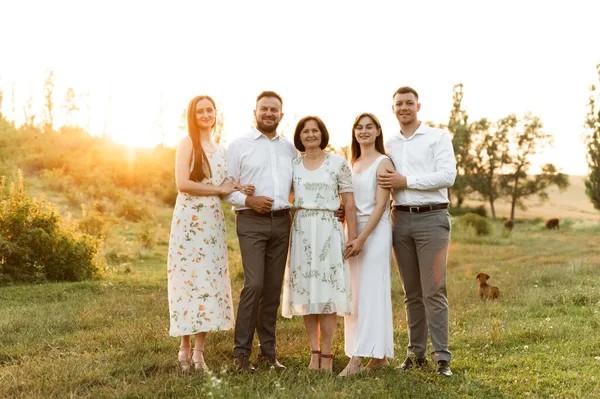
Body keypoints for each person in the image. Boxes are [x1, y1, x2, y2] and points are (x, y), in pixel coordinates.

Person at [377, 86, 456, 377]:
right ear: (393, 108)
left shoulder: (437, 137)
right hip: (400, 220)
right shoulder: (389, 144)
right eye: (399, 104)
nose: (404, 107)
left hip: (432, 218)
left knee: (433, 290)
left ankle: (442, 358)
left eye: (409, 103)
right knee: (411, 292)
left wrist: (405, 180)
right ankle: (415, 354)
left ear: (418, 106)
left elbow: (447, 176)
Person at [167, 95, 241, 372]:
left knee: (208, 282)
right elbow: (182, 183)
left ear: (216, 114)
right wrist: (218, 190)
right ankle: (183, 347)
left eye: (210, 110)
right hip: (188, 220)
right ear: (193, 115)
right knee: (188, 281)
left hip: (212, 222)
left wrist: (238, 189)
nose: (206, 114)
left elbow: (225, 189)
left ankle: (198, 352)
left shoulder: (221, 150)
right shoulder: (188, 143)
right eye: (201, 111)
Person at [225, 91, 297, 372]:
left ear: (281, 114)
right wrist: (249, 200)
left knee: (272, 289)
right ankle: (240, 354)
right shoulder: (238, 146)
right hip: (250, 221)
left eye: (274, 110)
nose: (269, 113)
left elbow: (298, 186)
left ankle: (268, 354)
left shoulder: (290, 149)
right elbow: (227, 189)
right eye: (264, 109)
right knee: (253, 285)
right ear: (254, 112)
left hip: (282, 222)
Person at [281, 115, 358, 372]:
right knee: (307, 294)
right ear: (299, 137)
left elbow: (349, 202)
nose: (310, 135)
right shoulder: (293, 164)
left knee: (326, 296)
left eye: (315, 131)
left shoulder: (337, 163)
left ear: (322, 134)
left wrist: (353, 237)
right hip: (302, 230)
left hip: (328, 230)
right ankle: (313, 354)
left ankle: (327, 354)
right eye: (305, 131)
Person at [339, 113, 395, 377]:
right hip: (353, 231)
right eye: (359, 128)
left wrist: (362, 238)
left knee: (372, 292)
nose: (363, 131)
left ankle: (358, 358)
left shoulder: (383, 163)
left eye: (368, 127)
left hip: (375, 231)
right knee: (355, 294)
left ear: (377, 131)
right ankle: (378, 356)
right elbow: (349, 201)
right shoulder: (353, 163)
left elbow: (381, 205)